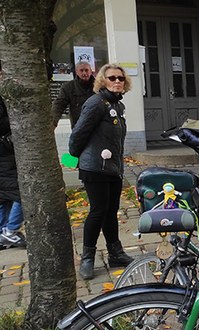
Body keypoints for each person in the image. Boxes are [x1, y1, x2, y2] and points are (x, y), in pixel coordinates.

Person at [69, 63, 134, 280]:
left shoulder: (117, 105)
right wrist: (75, 158)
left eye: (120, 78)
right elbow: (78, 135)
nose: (117, 81)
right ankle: (88, 257)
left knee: (111, 210)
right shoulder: (96, 103)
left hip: (113, 168)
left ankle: (115, 252)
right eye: (112, 78)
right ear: (102, 81)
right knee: (98, 211)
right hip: (94, 168)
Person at [0, 96, 25, 249]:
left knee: (4, 195)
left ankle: (3, 232)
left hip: (5, 153)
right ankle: (10, 231)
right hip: (4, 153)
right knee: (21, 192)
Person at [51, 62, 95, 128]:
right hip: (79, 128)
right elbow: (59, 104)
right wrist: (53, 122)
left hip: (98, 128)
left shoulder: (99, 86)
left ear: (91, 71)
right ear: (77, 72)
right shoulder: (69, 87)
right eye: (81, 70)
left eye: (86, 70)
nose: (84, 73)